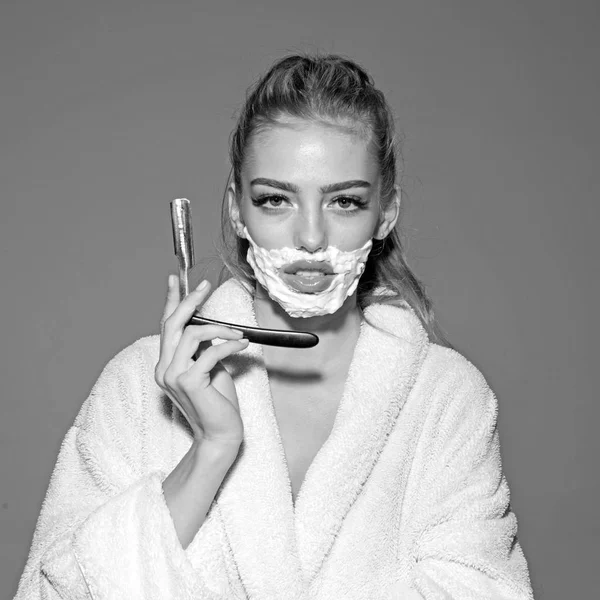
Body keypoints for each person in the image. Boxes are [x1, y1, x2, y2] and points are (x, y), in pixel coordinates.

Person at [15, 54, 534, 599]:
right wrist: (212, 449)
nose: (311, 236)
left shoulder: (447, 400)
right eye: (275, 199)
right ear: (238, 211)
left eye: (345, 201)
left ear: (385, 214)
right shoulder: (134, 386)